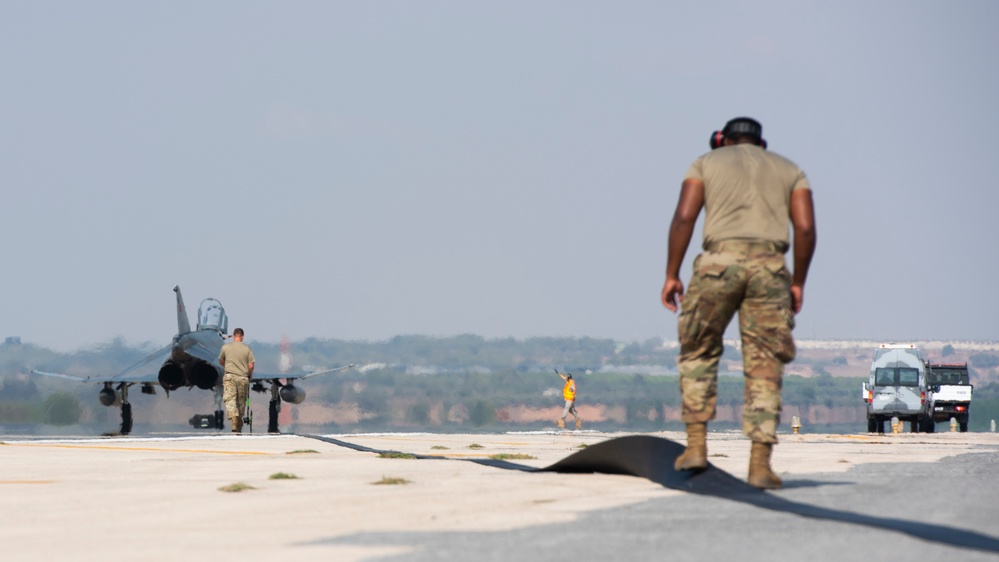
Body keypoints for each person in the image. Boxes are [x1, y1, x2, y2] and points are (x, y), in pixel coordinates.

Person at [660, 117, 816, 489]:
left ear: (723, 140)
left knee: (698, 352)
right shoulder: (790, 170)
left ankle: (696, 447)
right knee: (764, 365)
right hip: (770, 268)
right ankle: (760, 465)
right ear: (760, 143)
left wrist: (672, 273)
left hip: (718, 264)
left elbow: (685, 216)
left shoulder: (704, 163)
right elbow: (806, 228)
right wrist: (798, 282)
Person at [218, 327, 255, 433]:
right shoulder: (247, 349)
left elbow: (220, 360)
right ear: (242, 337)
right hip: (243, 377)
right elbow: (251, 365)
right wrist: (250, 375)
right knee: (241, 401)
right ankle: (238, 421)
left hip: (230, 377)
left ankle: (234, 420)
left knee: (230, 399)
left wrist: (228, 367)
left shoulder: (225, 347)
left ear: (233, 336)